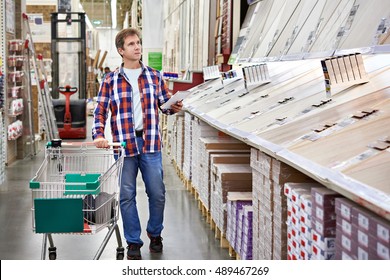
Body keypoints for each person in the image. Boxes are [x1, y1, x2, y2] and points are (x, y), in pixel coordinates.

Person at [92, 27, 183, 260]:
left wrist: (173, 106)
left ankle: (155, 233)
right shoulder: (110, 80)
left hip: (150, 142)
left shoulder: (154, 76)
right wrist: (98, 135)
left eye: (139, 43)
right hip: (124, 146)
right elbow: (100, 111)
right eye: (132, 44)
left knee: (158, 193)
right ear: (121, 50)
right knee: (127, 195)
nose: (138, 47)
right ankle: (133, 241)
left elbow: (164, 105)